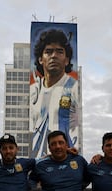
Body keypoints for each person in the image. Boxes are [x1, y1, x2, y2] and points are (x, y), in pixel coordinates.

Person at [30, 28, 80, 158]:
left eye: (59, 52)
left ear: (67, 59)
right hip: (38, 163)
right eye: (48, 52)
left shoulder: (74, 87)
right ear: (41, 59)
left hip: (64, 160)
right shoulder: (33, 90)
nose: (54, 56)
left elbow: (76, 128)